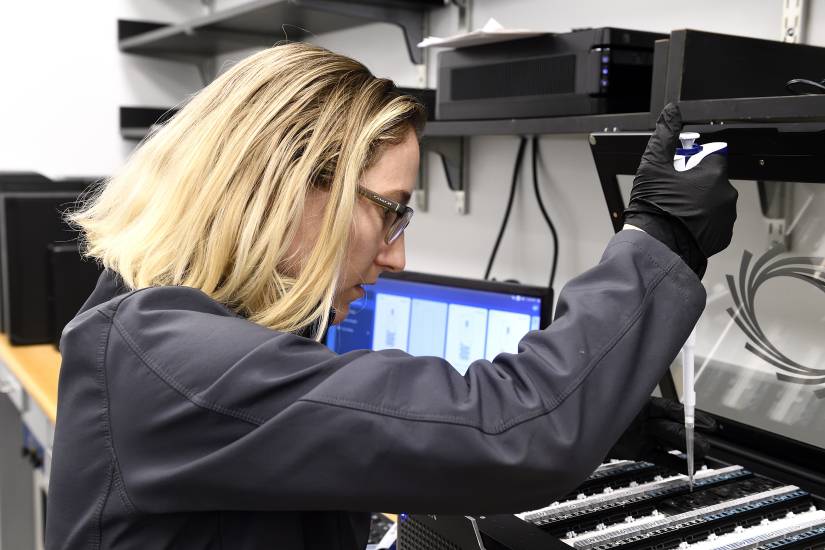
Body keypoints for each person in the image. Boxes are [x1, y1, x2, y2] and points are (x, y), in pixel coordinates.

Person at [45, 43, 737, 549]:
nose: (395, 254)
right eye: (390, 211)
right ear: (287, 186)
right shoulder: (176, 360)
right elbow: (516, 431)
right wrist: (662, 236)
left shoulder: (160, 318)